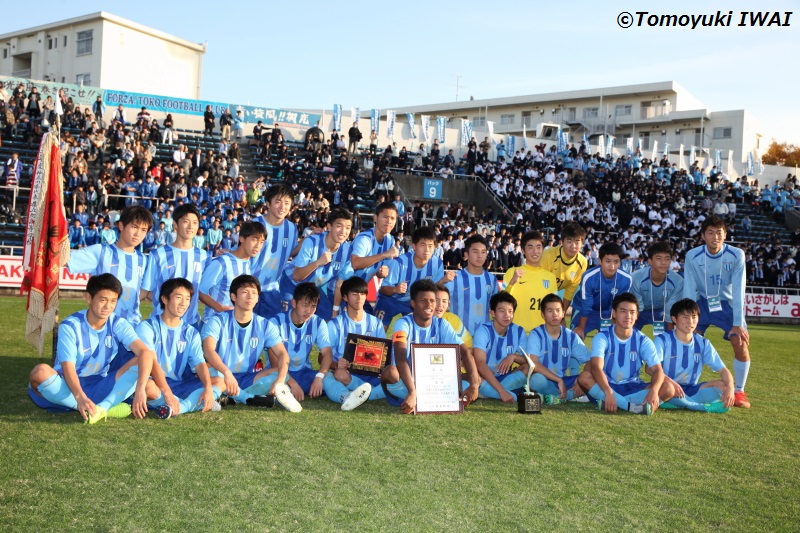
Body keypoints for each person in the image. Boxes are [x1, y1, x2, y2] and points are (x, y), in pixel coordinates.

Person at [27, 274, 156, 423]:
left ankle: (101, 408)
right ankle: (96, 407)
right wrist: (80, 397)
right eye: (103, 300)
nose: (108, 306)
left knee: (141, 360)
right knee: (40, 372)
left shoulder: (118, 323)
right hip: (67, 386)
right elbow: (68, 368)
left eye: (113, 301)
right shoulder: (70, 326)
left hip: (99, 384)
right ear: (89, 298)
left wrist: (140, 388)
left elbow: (146, 353)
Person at [201, 274, 300, 411]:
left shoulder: (265, 325)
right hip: (221, 374)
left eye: (254, 293)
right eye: (244, 292)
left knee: (280, 372)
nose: (250, 296)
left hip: (248, 378)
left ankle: (229, 397)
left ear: (258, 298)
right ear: (233, 296)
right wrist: (227, 373)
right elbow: (208, 350)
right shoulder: (217, 321)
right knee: (207, 372)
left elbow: (283, 354)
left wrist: (280, 380)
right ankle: (247, 397)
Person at [382, 280, 481, 413]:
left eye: (432, 301)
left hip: (433, 382)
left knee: (474, 378)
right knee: (390, 372)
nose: (429, 305)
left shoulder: (442, 324)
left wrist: (474, 385)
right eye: (423, 300)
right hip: (408, 381)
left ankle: (426, 400)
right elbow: (400, 356)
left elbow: (465, 352)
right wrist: (412, 390)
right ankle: (424, 398)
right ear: (413, 303)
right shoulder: (403, 323)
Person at [683, 215, 751, 408]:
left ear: (725, 235)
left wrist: (738, 323)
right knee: (688, 342)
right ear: (703, 235)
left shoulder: (736, 255)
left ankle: (739, 391)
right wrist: (687, 315)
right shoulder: (693, 255)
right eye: (710, 233)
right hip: (702, 304)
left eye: (719, 233)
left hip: (727, 305)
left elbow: (739, 290)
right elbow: (689, 287)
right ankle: (688, 387)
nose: (715, 237)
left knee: (739, 341)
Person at [137, 278, 224, 418]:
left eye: (187, 299)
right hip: (155, 383)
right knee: (147, 387)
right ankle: (192, 403)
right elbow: (151, 363)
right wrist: (167, 393)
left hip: (178, 384)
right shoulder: (146, 327)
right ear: (165, 299)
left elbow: (199, 363)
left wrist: (208, 389)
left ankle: (179, 407)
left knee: (220, 382)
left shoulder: (191, 332)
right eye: (178, 297)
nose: (183, 303)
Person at [576, 292, 674, 415]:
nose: (628, 316)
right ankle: (632, 407)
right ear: (614, 313)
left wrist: (654, 391)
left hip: (633, 386)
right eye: (623, 311)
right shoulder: (602, 337)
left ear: (637, 315)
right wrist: (608, 392)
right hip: (607, 385)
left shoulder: (643, 340)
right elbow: (596, 368)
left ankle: (610, 402)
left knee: (668, 388)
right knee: (584, 377)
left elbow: (658, 370)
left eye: (632, 312)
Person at [67, 206, 152, 326]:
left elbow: (148, 292)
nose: (138, 234)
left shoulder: (144, 260)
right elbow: (63, 260)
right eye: (134, 227)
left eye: (143, 230)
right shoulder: (101, 252)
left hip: (132, 327)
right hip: (102, 327)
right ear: (121, 226)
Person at [654, 299, 734, 413]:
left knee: (723, 386)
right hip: (667, 386)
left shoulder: (703, 343)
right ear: (674, 319)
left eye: (694, 317)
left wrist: (730, 389)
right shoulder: (662, 340)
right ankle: (697, 406)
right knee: (667, 389)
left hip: (692, 389)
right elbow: (650, 369)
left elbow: (723, 370)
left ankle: (674, 403)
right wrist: (671, 383)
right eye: (685, 317)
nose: (690, 322)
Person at [325, 276, 389, 410]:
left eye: (363, 294)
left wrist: (383, 368)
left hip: (371, 374)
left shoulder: (376, 323)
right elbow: (322, 357)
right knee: (334, 375)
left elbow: (384, 353)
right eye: (354, 294)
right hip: (346, 374)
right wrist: (336, 364)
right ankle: (361, 394)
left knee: (393, 376)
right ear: (345, 297)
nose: (359, 298)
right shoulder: (334, 324)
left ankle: (355, 395)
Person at [141, 204, 210, 328]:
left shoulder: (204, 256)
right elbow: (146, 290)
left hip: (191, 325)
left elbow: (206, 292)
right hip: (161, 324)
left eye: (195, 222)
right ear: (175, 225)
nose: (191, 226)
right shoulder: (158, 254)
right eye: (186, 221)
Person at [374, 226, 454, 328]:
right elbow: (383, 289)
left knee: (419, 330)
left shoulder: (437, 264)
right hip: (390, 300)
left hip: (414, 302)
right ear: (414, 246)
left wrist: (443, 280)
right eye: (423, 245)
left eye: (430, 246)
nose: (427, 250)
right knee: (378, 331)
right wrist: (395, 289)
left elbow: (433, 289)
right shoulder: (399, 263)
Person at [281, 208, 353, 320]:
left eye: (348, 227)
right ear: (329, 227)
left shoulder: (347, 250)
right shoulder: (312, 242)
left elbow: (340, 283)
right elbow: (297, 276)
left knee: (328, 317)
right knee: (290, 319)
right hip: (291, 284)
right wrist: (318, 262)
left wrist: (335, 310)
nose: (343, 231)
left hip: (313, 288)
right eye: (339, 226)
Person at [268, 283, 333, 401]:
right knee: (274, 385)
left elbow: (327, 353)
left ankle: (346, 398)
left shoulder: (319, 323)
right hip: (278, 373)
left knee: (329, 378)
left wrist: (319, 377)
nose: (309, 311)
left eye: (313, 306)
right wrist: (293, 383)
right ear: (294, 303)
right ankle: (286, 394)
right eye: (305, 305)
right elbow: (274, 362)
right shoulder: (275, 322)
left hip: (303, 372)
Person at [198, 221, 266, 326]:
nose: (258, 245)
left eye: (262, 242)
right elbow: (200, 291)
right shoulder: (222, 262)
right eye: (254, 239)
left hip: (233, 326)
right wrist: (220, 308)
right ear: (241, 238)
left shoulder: (249, 264)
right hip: (213, 324)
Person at [526, 294, 590, 404]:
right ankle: (569, 395)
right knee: (536, 380)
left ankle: (550, 397)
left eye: (558, 310)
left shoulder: (571, 336)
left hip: (565, 380)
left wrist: (580, 382)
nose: (554, 314)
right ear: (543, 315)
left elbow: (591, 361)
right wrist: (558, 380)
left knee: (590, 378)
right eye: (550, 311)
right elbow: (534, 364)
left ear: (563, 313)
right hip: (545, 380)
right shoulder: (536, 334)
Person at [251, 185, 299, 319]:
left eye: (287, 203)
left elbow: (291, 251)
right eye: (278, 202)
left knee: (270, 328)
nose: (282, 207)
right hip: (249, 287)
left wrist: (309, 239)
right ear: (268, 204)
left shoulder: (291, 228)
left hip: (272, 290)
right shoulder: (255, 224)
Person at [472, 292, 528, 403]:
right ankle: (504, 393)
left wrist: (513, 357)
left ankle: (487, 391)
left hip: (504, 377)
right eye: (502, 311)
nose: (507, 315)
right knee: (471, 379)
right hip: (484, 376)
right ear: (492, 313)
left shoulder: (518, 331)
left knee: (527, 368)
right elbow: (480, 364)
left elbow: (529, 360)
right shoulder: (483, 331)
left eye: (510, 311)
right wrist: (502, 391)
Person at [570, 242, 632, 341]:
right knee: (575, 340)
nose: (612, 266)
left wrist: (613, 327)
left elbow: (619, 305)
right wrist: (581, 328)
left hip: (607, 312)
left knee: (611, 341)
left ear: (620, 262)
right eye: (608, 261)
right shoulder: (589, 277)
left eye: (616, 262)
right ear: (600, 260)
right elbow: (586, 305)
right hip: (583, 310)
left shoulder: (626, 279)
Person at [502, 231, 557, 333]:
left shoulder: (550, 277)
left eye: (538, 247)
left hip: (541, 334)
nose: (535, 251)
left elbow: (553, 307)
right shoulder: (512, 272)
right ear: (523, 250)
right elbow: (501, 301)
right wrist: (512, 282)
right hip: (516, 333)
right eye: (530, 247)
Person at [445, 234, 499, 336]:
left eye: (483, 252)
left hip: (484, 338)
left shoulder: (492, 279)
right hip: (459, 338)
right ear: (466, 255)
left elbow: (497, 307)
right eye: (475, 252)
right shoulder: (454, 278)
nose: (480, 256)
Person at [629, 241, 684, 335]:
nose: (663, 262)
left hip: (662, 312)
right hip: (639, 311)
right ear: (650, 261)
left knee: (669, 337)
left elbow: (670, 308)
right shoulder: (635, 278)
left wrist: (670, 336)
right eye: (659, 258)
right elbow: (637, 307)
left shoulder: (678, 281)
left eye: (667, 259)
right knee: (629, 335)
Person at [540, 222, 588, 314]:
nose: (573, 246)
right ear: (562, 241)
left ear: (582, 243)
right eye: (569, 242)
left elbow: (570, 291)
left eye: (577, 242)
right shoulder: (548, 255)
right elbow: (540, 285)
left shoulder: (582, 262)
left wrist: (562, 313)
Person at [350, 202, 399, 289]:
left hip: (359, 289)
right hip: (342, 287)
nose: (389, 221)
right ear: (375, 217)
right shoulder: (364, 238)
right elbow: (355, 263)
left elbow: (380, 271)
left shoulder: (390, 240)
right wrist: (384, 254)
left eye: (392, 218)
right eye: (385, 217)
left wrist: (381, 273)